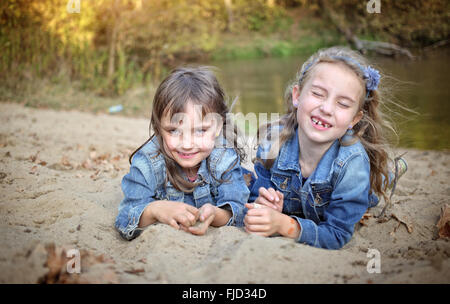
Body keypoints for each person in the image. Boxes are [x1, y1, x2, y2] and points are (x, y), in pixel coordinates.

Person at [244, 46, 407, 249]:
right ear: (297, 95)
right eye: (318, 94)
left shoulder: (352, 164)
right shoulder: (274, 140)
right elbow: (258, 190)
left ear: (354, 119)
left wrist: (286, 225)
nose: (327, 108)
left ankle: (390, 173)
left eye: (343, 104)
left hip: (356, 186)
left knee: (373, 189)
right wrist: (264, 202)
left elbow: (337, 234)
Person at [115, 67, 249, 240]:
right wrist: (155, 209)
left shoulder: (224, 158)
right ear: (159, 129)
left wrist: (215, 214)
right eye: (173, 131)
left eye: (200, 131)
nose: (186, 144)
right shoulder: (148, 161)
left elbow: (239, 211)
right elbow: (125, 218)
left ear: (217, 127)